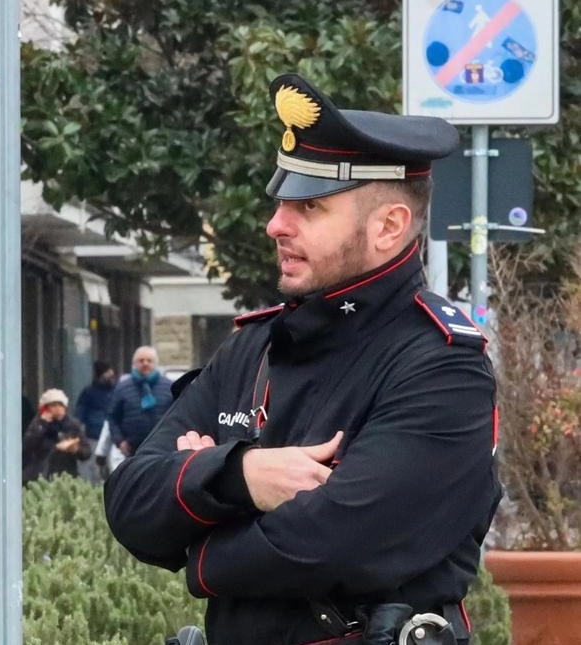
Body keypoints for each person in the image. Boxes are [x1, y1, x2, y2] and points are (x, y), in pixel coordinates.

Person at [104, 74, 501, 645]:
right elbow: (130, 502)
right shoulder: (253, 346)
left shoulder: (441, 366)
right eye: (282, 202)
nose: (275, 225)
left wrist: (196, 543)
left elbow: (331, 544)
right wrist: (240, 476)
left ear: (388, 227)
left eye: (309, 206)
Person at [107, 346, 173, 457]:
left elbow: (177, 415)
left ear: (155, 363)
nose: (145, 363)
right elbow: (113, 417)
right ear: (134, 364)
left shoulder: (169, 387)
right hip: (132, 451)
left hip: (164, 450)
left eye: (149, 360)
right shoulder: (122, 388)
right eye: (141, 360)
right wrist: (120, 441)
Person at [22, 388, 91, 482]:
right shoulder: (38, 423)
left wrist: (76, 450)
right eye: (53, 406)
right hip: (41, 473)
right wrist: (42, 424)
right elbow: (28, 445)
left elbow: (87, 452)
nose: (57, 409)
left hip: (66, 473)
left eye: (60, 405)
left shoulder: (72, 425)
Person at [75, 361, 116, 482]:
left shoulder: (89, 391)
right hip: (96, 435)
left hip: (100, 434)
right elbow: (80, 412)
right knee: (101, 467)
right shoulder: (91, 392)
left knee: (99, 467)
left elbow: (80, 412)